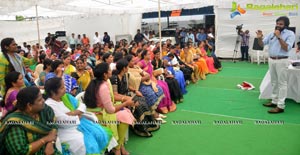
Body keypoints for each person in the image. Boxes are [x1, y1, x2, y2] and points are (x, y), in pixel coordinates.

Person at [44, 77, 113, 154]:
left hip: (79, 122)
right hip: (65, 130)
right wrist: (78, 116)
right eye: (62, 87)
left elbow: (82, 105)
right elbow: (64, 122)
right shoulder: (50, 105)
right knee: (87, 144)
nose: (65, 88)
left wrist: (73, 113)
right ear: (53, 92)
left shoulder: (66, 96)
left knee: (99, 133)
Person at [84, 62, 135, 155]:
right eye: (109, 70)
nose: (111, 71)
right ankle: (117, 148)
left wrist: (124, 101)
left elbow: (110, 101)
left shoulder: (100, 82)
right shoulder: (103, 86)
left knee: (125, 114)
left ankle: (119, 146)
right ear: (105, 74)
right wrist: (126, 103)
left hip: (100, 111)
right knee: (125, 117)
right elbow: (110, 110)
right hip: (100, 116)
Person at [0, 87, 61, 155]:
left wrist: (50, 143)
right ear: (29, 105)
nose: (43, 100)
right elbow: (20, 152)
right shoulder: (14, 123)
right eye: (39, 100)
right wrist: (45, 139)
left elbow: (53, 125)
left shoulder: (45, 110)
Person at [257, 16, 295, 113]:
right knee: (274, 81)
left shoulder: (290, 34)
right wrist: (259, 38)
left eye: (281, 24)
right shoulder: (271, 34)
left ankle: (281, 106)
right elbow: (262, 44)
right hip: (272, 60)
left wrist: (279, 37)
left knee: (282, 83)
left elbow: (286, 48)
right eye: (277, 23)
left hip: (282, 60)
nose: (278, 26)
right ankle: (274, 101)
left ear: (286, 25)